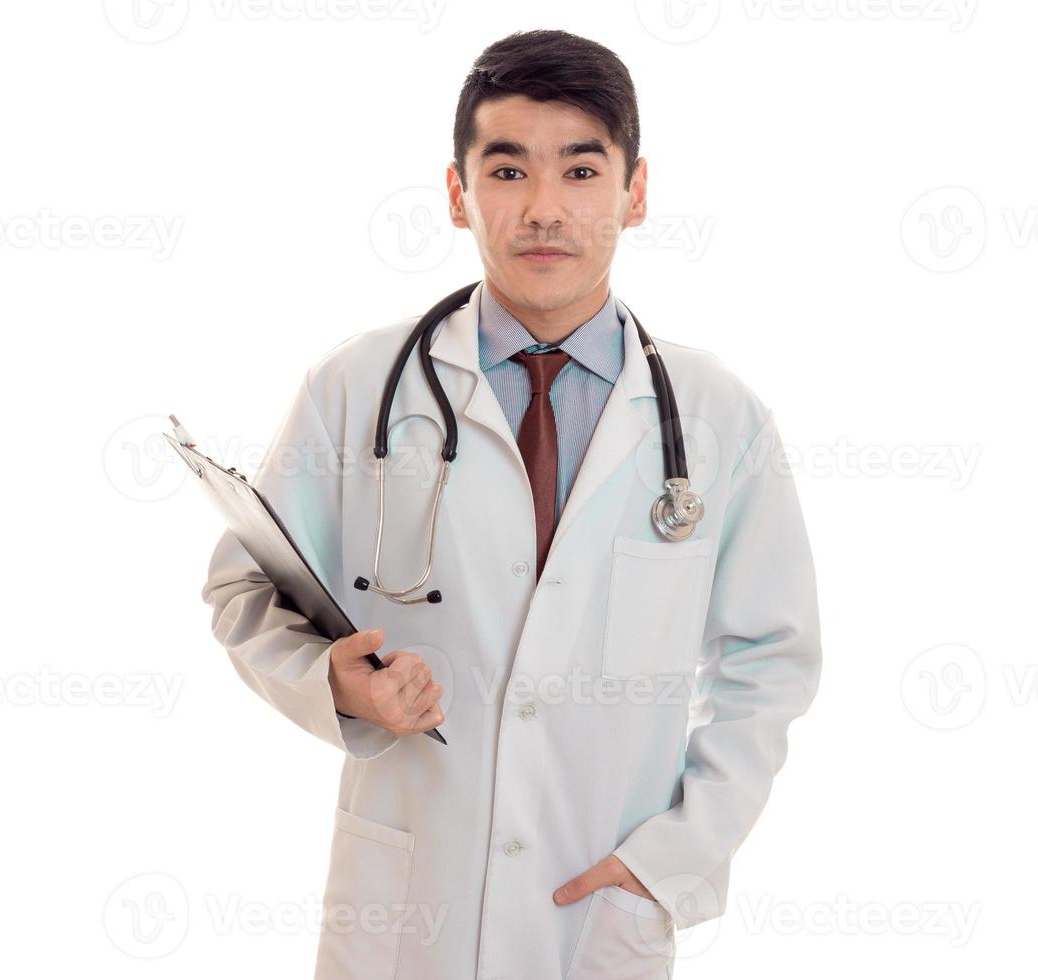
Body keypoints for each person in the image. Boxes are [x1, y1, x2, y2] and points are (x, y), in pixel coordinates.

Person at [201, 28, 821, 980]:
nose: (542, 209)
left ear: (636, 192)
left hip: (598, 904)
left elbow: (770, 663)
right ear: (457, 195)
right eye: (506, 171)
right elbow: (249, 589)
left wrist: (671, 860)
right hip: (408, 905)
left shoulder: (716, 417)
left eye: (581, 171)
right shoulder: (357, 386)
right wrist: (334, 681)